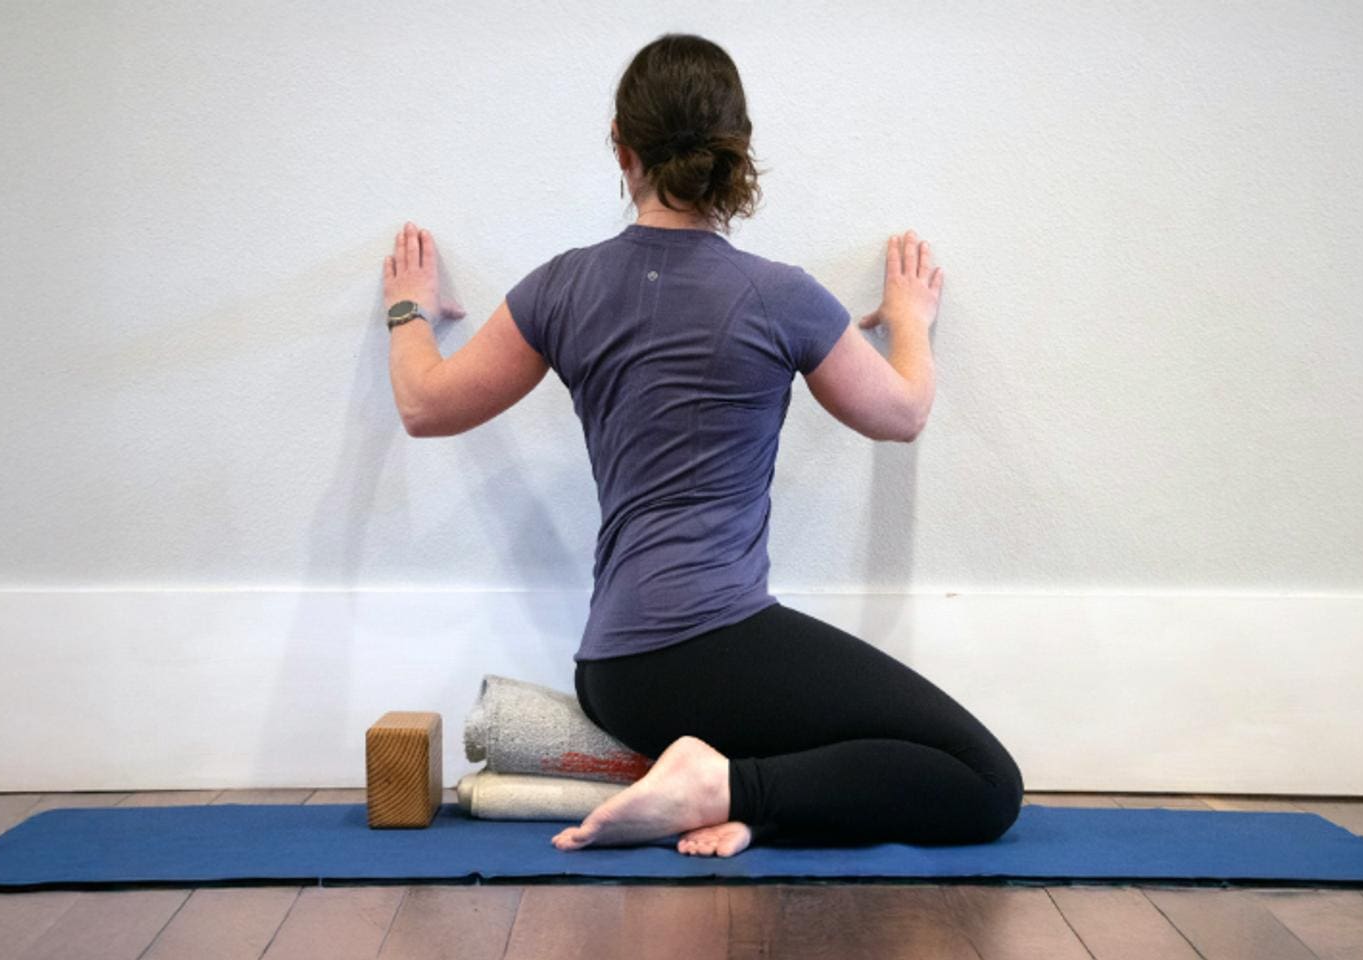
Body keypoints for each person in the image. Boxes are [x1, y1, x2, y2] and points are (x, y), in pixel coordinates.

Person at [381, 33, 1022, 858]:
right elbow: (902, 412)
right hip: (718, 647)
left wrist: (408, 309)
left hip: (613, 674)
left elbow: (424, 405)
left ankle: (743, 799)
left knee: (835, 742)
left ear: (623, 148)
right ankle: (722, 786)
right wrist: (910, 322)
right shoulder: (780, 296)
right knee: (982, 781)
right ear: (739, 151)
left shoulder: (562, 286)